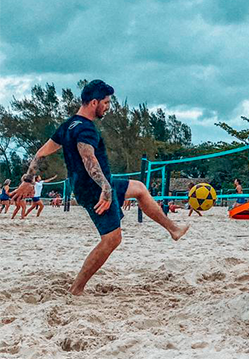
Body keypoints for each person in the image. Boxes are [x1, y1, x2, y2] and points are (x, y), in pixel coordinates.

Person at [22, 79, 189, 295]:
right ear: (94, 102)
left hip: (89, 186)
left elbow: (41, 153)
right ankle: (77, 289)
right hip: (95, 189)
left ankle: (172, 229)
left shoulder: (68, 125)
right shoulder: (86, 129)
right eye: (106, 103)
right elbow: (88, 158)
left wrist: (27, 179)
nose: (108, 107)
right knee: (112, 239)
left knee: (138, 188)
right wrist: (105, 188)